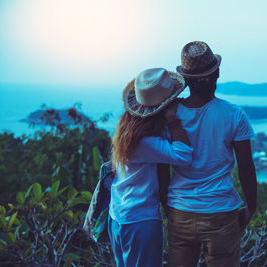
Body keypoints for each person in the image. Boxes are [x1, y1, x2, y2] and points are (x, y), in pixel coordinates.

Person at [158, 41, 258, 267]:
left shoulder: (170, 115)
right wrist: (252, 205)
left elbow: (162, 166)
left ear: (186, 81)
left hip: (180, 210)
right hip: (221, 212)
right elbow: (246, 167)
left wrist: (166, 205)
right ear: (218, 74)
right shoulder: (234, 115)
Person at [109, 68, 193, 267]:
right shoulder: (145, 141)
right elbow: (184, 154)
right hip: (140, 220)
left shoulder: (127, 131)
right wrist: (173, 121)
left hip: (118, 215)